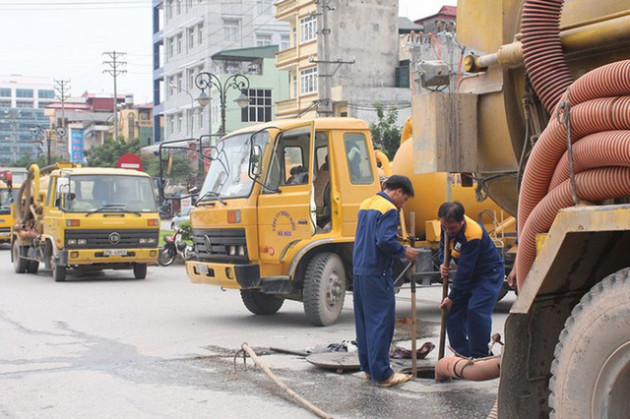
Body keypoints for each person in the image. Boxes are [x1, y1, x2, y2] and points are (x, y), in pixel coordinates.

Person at [352, 175, 419, 387]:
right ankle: (384, 374)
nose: (403, 204)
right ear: (398, 191)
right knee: (381, 322)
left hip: (360, 271)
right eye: (405, 199)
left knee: (364, 323)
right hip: (377, 273)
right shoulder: (389, 209)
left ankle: (370, 370)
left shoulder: (366, 203)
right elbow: (384, 240)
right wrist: (404, 251)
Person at [437, 201, 504, 358]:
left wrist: (452, 297)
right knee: (452, 311)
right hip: (468, 272)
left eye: (452, 228)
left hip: (487, 274)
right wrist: (443, 261)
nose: (448, 231)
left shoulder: (472, 235)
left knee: (475, 310)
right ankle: (462, 353)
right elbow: (443, 247)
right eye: (445, 227)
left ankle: (481, 355)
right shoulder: (446, 226)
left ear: (461, 221)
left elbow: (465, 273)